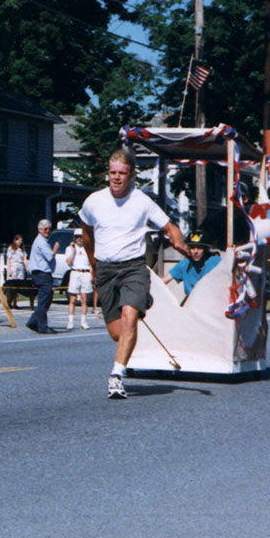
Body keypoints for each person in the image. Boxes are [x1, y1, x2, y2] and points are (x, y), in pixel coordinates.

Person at [80, 149, 188, 399]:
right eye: (113, 173)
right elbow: (87, 233)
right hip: (106, 269)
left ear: (131, 176)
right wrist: (93, 264)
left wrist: (178, 241)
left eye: (122, 173)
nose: (116, 178)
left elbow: (169, 226)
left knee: (129, 318)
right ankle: (138, 304)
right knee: (118, 334)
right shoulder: (94, 201)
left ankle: (116, 375)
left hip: (133, 267)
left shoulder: (142, 201)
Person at [164, 230, 221, 298]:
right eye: (192, 248)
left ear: (206, 249)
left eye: (199, 247)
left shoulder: (215, 261)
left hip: (211, 302)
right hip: (192, 304)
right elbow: (163, 281)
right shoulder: (184, 264)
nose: (195, 251)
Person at [26, 219, 60, 334]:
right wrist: (55, 248)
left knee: (45, 299)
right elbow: (50, 256)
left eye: (49, 229)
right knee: (44, 299)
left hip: (41, 273)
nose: (47, 231)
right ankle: (42, 326)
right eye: (45, 229)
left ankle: (34, 321)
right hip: (42, 274)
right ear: (39, 229)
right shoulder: (41, 242)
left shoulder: (41, 241)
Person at [65, 228, 92, 330]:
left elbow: (90, 263)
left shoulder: (87, 248)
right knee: (73, 298)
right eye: (77, 237)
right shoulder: (70, 248)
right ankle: (70, 321)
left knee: (84, 299)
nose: (79, 239)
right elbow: (68, 262)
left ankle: (83, 321)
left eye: (81, 237)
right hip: (75, 272)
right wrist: (73, 251)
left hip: (85, 273)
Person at [4, 234, 28, 309]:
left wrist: (27, 266)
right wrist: (9, 269)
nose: (20, 242)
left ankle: (15, 303)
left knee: (19, 286)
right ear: (15, 240)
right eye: (19, 240)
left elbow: (24, 258)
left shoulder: (22, 249)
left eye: (21, 241)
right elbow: (8, 259)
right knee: (12, 287)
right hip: (14, 266)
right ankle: (9, 302)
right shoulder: (11, 248)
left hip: (20, 266)